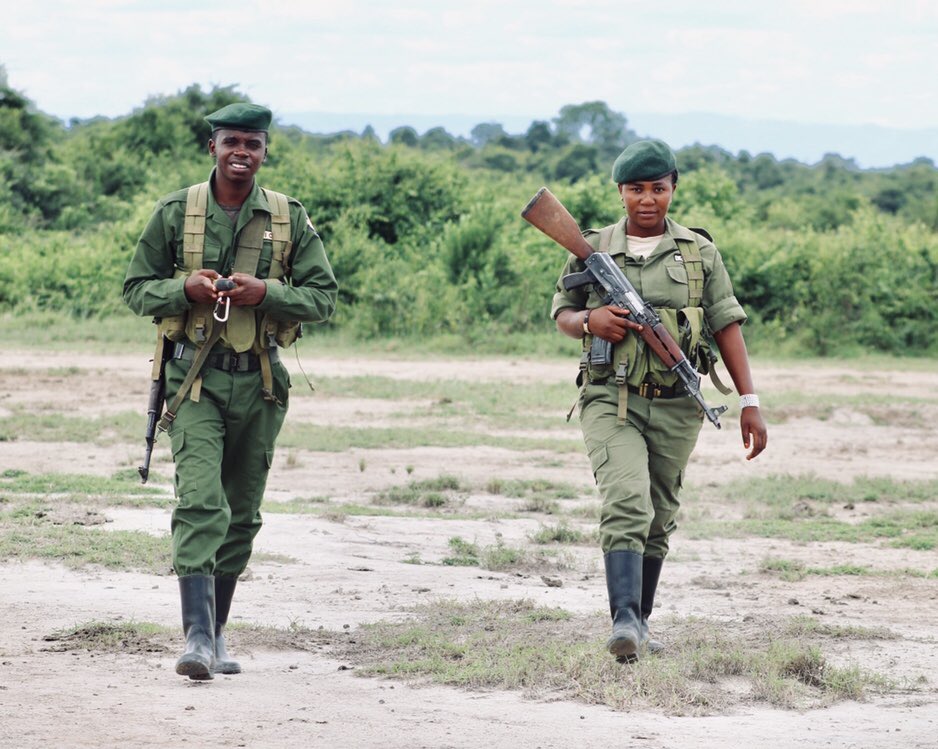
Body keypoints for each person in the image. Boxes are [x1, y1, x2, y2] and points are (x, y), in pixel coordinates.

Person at [123, 103, 338, 680]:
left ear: (265, 151)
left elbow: (323, 297)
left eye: (253, 144)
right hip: (193, 382)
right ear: (212, 148)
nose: (241, 152)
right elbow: (136, 288)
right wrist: (184, 288)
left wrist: (265, 292)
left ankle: (216, 633)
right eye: (231, 142)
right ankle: (194, 639)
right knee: (200, 504)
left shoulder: (289, 218)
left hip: (262, 384)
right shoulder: (176, 212)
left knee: (241, 514)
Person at [551, 139, 767, 662]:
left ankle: (639, 623)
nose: (647, 200)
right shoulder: (592, 246)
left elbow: (726, 324)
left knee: (659, 515)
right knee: (627, 500)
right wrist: (590, 321)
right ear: (620, 192)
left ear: (673, 188)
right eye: (635, 190)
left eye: (658, 189)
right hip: (610, 398)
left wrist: (749, 400)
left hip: (677, 404)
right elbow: (562, 311)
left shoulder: (699, 253)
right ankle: (623, 619)